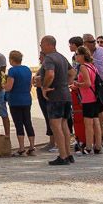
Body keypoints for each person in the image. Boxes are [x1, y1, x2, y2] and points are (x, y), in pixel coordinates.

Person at [38, 36, 74, 165]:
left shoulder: (49, 58)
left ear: (48, 44)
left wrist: (45, 87)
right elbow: (72, 72)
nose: (41, 46)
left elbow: (50, 74)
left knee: (56, 126)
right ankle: (68, 154)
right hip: (65, 95)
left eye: (42, 44)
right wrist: (66, 83)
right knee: (64, 124)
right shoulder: (62, 57)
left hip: (55, 96)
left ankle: (62, 155)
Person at [82, 34, 103, 141]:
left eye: (94, 41)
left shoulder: (102, 51)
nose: (93, 44)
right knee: (99, 110)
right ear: (85, 43)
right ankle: (100, 134)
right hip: (94, 86)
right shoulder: (83, 54)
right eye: (91, 42)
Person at [72, 45, 103, 155]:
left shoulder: (83, 67)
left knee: (88, 124)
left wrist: (77, 84)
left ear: (82, 55)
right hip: (95, 97)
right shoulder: (92, 66)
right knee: (96, 122)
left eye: (77, 54)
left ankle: (89, 147)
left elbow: (87, 83)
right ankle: (98, 146)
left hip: (88, 98)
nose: (75, 56)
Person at [4, 50, 35, 156]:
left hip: (15, 100)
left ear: (12, 60)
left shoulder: (12, 71)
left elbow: (9, 87)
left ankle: (21, 148)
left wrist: (3, 86)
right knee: (28, 122)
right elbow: (30, 84)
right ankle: (32, 147)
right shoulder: (27, 69)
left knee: (18, 123)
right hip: (26, 98)